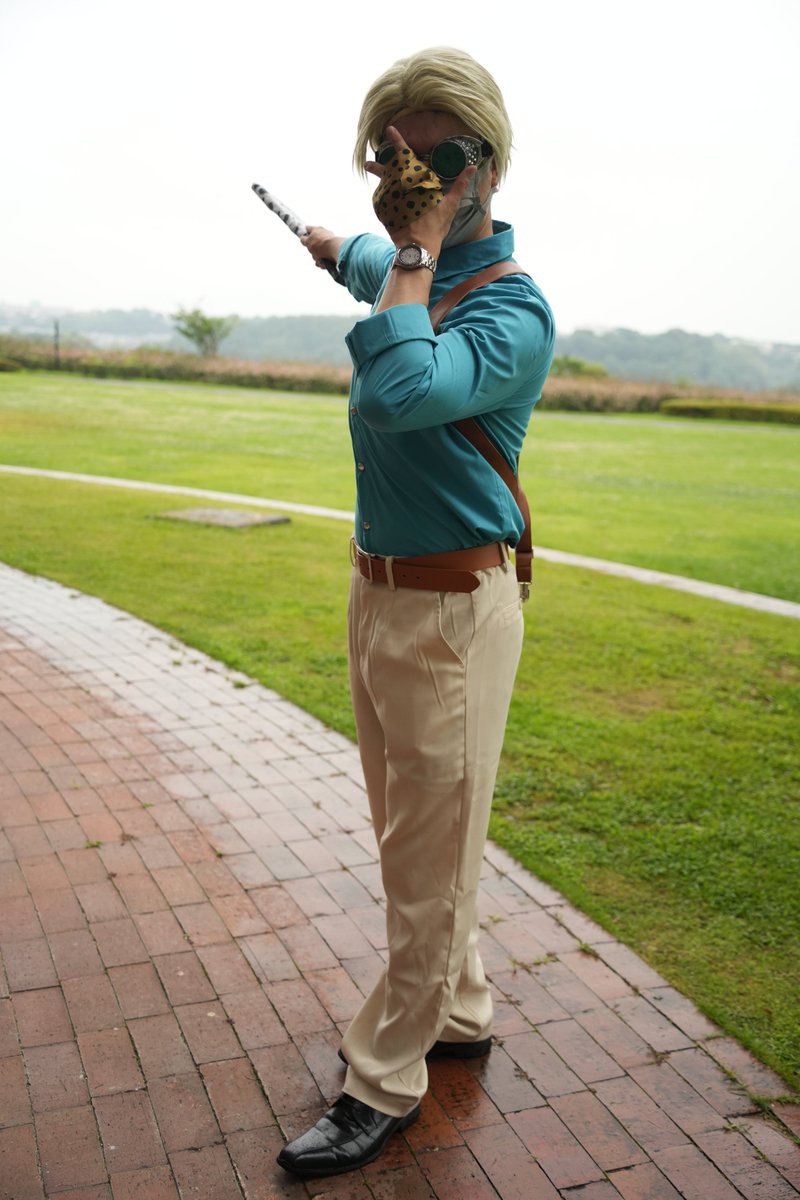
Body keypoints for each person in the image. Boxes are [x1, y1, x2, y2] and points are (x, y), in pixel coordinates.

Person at [277, 46, 555, 1179]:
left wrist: (409, 244)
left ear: (487, 163)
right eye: (394, 158)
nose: (415, 179)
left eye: (439, 158)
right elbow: (363, 260)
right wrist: (331, 243)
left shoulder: (509, 311)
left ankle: (383, 1079)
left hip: (452, 613)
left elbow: (398, 389)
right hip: (378, 593)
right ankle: (463, 1007)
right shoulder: (403, 270)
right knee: (419, 837)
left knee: (422, 865)